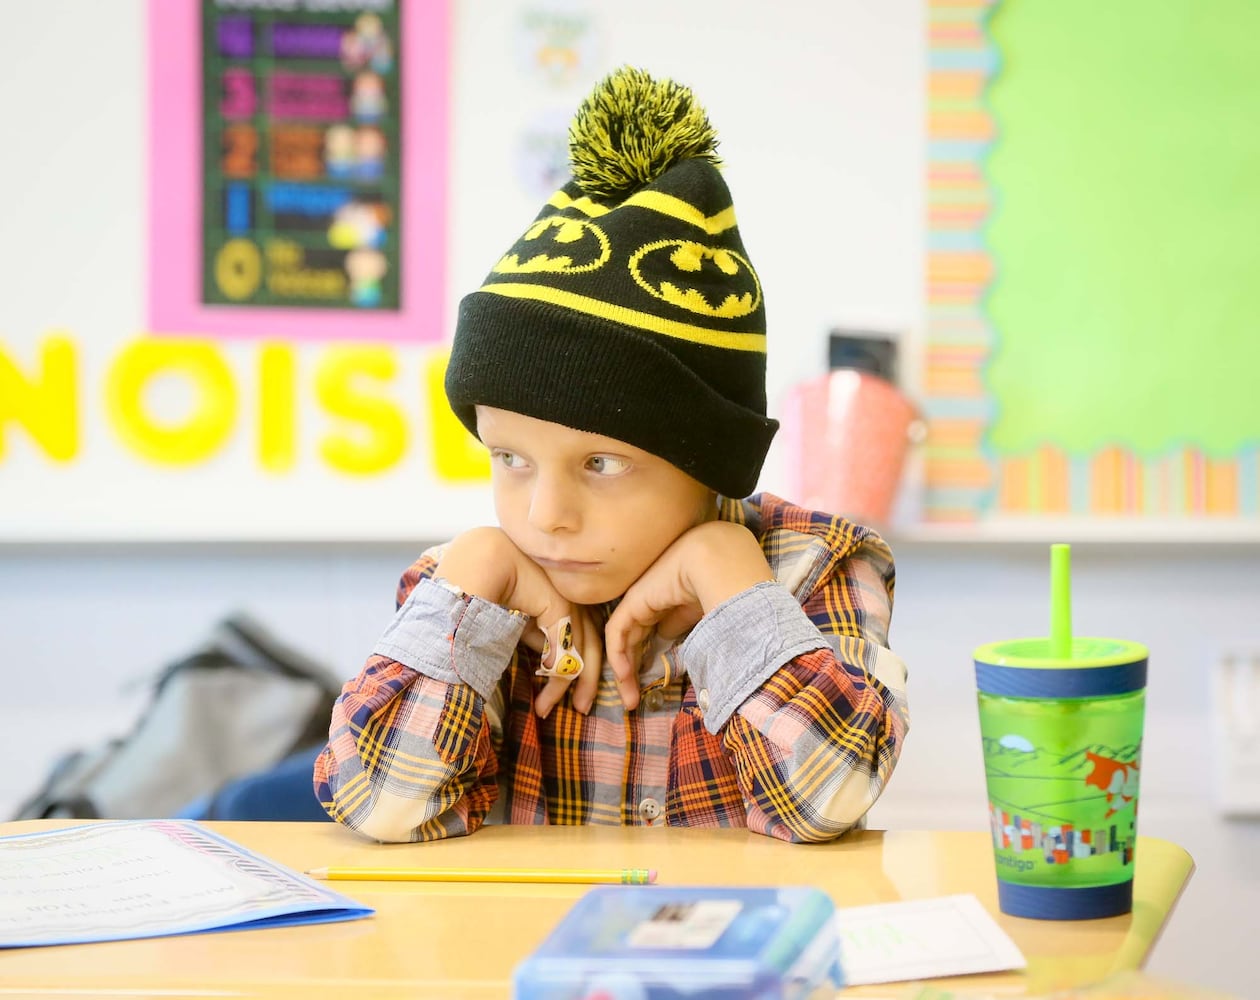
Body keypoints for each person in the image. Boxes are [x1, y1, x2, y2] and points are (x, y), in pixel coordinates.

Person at [314, 66, 910, 844]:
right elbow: (382, 807)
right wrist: (475, 578)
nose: (545, 517)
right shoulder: (467, 592)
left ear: (707, 458)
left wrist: (728, 574)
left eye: (601, 464)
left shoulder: (814, 567)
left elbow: (832, 797)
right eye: (509, 458)